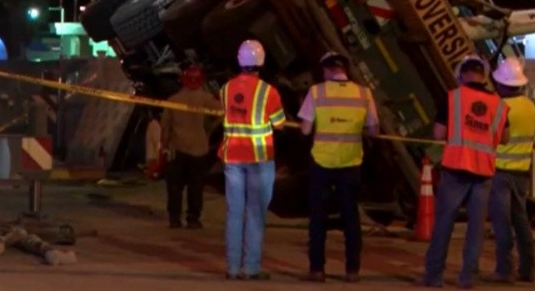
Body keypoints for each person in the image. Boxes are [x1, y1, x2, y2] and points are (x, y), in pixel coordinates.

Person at [421, 55, 510, 289]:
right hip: (483, 172)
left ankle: (434, 276)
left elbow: (439, 134)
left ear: (462, 75)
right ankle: (468, 276)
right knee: (476, 227)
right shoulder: (499, 104)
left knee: (444, 222)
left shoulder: (453, 97)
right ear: (484, 76)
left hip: (456, 169)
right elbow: (505, 137)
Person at [298, 51, 379, 283]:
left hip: (321, 162)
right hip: (350, 163)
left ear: (326, 70)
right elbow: (374, 130)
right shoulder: (364, 93)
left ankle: (317, 270)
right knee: (351, 218)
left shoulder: (316, 92)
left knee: (318, 218)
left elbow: (305, 130)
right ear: (345, 69)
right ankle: (352, 270)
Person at [219, 39, 286, 280]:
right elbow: (279, 124)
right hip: (259, 157)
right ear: (262, 61)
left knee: (234, 212)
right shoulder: (269, 92)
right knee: (255, 213)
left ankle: (232, 268)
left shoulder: (225, 89)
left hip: (232, 157)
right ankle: (251, 268)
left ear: (239, 60)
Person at [483, 57, 535, 284]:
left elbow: (492, 137)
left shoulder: (501, 107)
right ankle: (527, 268)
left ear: (502, 83)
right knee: (521, 221)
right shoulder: (531, 106)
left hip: (501, 171)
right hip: (522, 172)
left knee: (502, 222)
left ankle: (504, 270)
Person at [161, 64, 221, 229]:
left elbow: (165, 126)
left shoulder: (173, 100)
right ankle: (193, 219)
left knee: (174, 187)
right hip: (199, 149)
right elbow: (224, 114)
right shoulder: (206, 99)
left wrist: (164, 145)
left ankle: (174, 219)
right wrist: (210, 130)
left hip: (177, 149)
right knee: (196, 187)